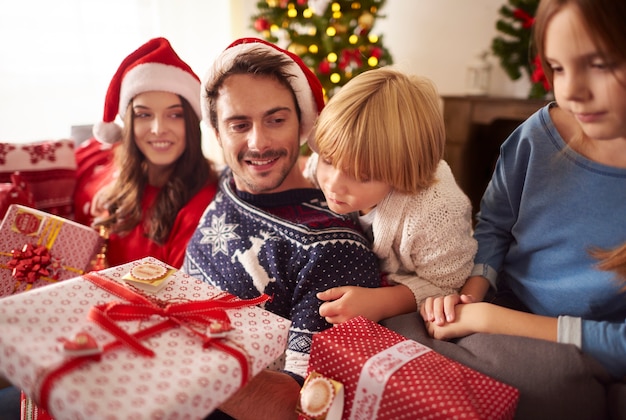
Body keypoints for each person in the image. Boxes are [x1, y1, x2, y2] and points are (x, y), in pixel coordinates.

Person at [182, 38, 381, 419]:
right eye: (239, 124)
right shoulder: (229, 180)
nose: (258, 143)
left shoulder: (334, 246)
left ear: (302, 124)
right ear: (219, 134)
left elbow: (302, 404)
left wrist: (179, 361)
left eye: (276, 120)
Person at [303, 67, 476, 324]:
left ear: (402, 173)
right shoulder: (334, 161)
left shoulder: (435, 211)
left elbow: (449, 285)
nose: (334, 184)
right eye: (327, 160)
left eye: (361, 175)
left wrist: (381, 303)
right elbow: (305, 172)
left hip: (419, 280)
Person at [73, 37, 218, 269]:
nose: (158, 129)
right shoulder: (118, 184)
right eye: (144, 115)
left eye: (174, 114)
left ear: (191, 123)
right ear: (129, 124)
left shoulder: (200, 208)